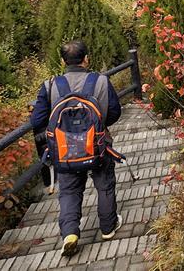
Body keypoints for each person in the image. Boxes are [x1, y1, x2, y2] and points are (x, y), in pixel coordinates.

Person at [30, 39, 123, 257]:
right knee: (104, 185)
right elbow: (115, 112)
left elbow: (37, 121)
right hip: (98, 144)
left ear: (63, 61)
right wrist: (98, 125)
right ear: (86, 59)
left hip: (64, 150)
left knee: (69, 191)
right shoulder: (101, 81)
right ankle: (108, 228)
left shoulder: (50, 86)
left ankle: (70, 233)